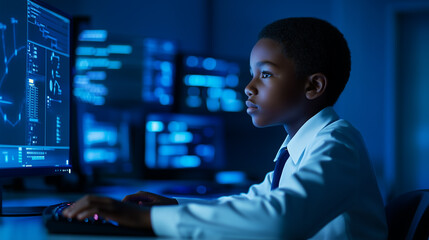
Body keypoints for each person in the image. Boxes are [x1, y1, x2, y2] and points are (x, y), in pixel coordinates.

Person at [63, 17, 388, 239]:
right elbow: (255, 203)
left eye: (265, 74)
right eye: (251, 73)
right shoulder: (297, 146)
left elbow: (278, 220)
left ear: (313, 86)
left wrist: (145, 219)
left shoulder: (338, 143)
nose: (248, 87)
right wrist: (176, 207)